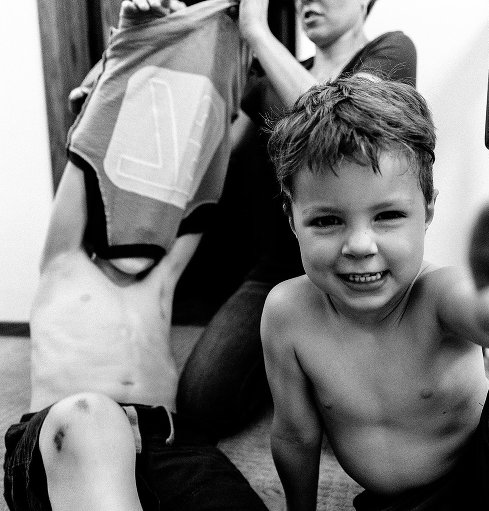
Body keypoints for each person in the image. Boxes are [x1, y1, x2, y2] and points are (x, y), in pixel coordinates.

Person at [261, 75, 489, 510]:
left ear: (428, 208)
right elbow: (295, 435)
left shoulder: (439, 297)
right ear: (291, 218)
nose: (360, 245)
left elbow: (484, 314)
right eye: (326, 221)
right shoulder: (287, 315)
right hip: (392, 505)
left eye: (388, 215)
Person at [3, 2, 266, 509]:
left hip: (169, 439)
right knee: (91, 417)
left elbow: (207, 176)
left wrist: (234, 69)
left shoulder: (161, 277)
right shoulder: (65, 261)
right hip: (68, 434)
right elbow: (89, 150)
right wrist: (131, 49)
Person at [177, 0, 418, 439]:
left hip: (362, 263)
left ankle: (312, 362)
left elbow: (350, 125)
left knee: (366, 419)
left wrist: (258, 32)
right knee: (200, 405)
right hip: (276, 271)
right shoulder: (268, 77)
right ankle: (294, 363)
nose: (308, 0)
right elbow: (207, 165)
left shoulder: (391, 51)